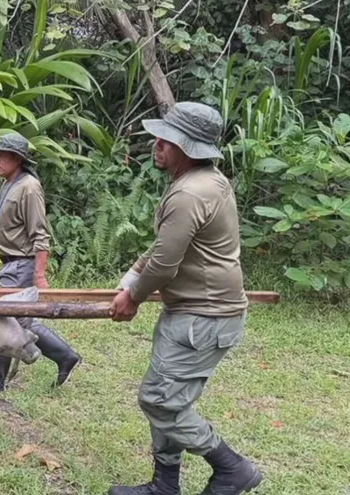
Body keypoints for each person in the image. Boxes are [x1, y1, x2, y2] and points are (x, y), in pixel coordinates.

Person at [108, 102, 262, 495]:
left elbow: (164, 264)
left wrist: (134, 297)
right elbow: (167, 246)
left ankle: (231, 468)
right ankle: (165, 486)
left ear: (188, 147)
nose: (157, 143)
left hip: (203, 317)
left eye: (167, 139)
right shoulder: (208, 181)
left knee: (160, 402)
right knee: (170, 399)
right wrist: (131, 277)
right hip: (195, 313)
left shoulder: (190, 193)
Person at [0, 133, 82, 397]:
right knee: (21, 320)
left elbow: (40, 234)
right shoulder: (10, 183)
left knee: (0, 318)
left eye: (2, 155)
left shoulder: (29, 187)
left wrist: (39, 274)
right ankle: (66, 357)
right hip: (11, 263)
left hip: (21, 264)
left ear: (17, 158)